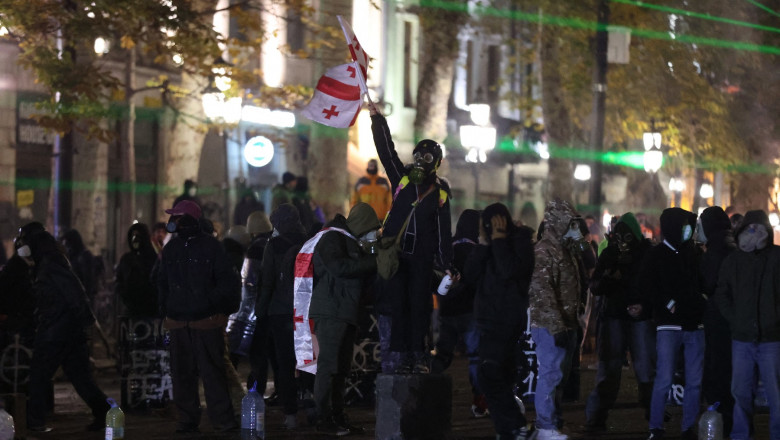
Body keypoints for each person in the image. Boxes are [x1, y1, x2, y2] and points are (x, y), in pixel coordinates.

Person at [369, 101, 455, 373]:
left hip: (420, 260)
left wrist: (447, 263)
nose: (422, 161)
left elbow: (444, 233)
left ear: (437, 164)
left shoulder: (440, 193)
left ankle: (418, 354)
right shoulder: (402, 180)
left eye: (428, 159)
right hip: (395, 256)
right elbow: (387, 152)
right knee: (397, 306)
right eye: (419, 155)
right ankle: (399, 356)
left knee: (419, 307)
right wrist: (377, 120)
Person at [157, 200, 241, 434]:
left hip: (205, 322)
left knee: (212, 374)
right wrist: (166, 309)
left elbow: (228, 283)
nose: (172, 222)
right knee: (182, 375)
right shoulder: (172, 249)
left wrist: (212, 305)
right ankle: (188, 418)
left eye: (176, 217)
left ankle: (222, 420)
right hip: (179, 322)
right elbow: (162, 282)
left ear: (187, 219)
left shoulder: (212, 247)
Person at [21, 230, 110, 432]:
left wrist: (81, 321)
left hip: (57, 330)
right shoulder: (47, 263)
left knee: (39, 375)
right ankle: (105, 412)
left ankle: (34, 422)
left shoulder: (51, 265)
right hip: (64, 329)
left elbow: (74, 294)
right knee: (80, 377)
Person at [465, 203, 534, 440]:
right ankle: (508, 429)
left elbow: (508, 270)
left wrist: (500, 240)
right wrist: (484, 245)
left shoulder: (521, 241)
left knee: (489, 373)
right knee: (498, 376)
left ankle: (515, 424)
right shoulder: (489, 244)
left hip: (506, 319)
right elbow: (471, 274)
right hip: (487, 318)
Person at [309, 202, 380, 436]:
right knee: (328, 367)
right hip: (331, 312)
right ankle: (323, 418)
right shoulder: (333, 238)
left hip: (345, 311)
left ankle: (338, 417)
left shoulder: (350, 241)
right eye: (371, 229)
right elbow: (340, 267)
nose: (373, 234)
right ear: (360, 226)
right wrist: (375, 261)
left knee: (341, 369)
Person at [584, 212, 656, 431]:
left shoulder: (646, 254)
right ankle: (597, 418)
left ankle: (654, 416)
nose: (624, 240)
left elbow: (653, 285)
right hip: (615, 316)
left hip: (637, 317)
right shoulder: (610, 253)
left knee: (645, 369)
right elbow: (595, 285)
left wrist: (643, 305)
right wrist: (608, 276)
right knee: (610, 368)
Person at [639, 207, 704, 440]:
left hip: (694, 324)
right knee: (664, 378)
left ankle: (688, 427)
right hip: (668, 325)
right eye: (684, 225)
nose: (688, 230)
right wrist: (668, 303)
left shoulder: (693, 253)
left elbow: (699, 284)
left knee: (694, 380)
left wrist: (698, 304)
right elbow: (649, 286)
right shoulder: (656, 255)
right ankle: (656, 427)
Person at [716, 209, 780, 440]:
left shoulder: (776, 257)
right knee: (740, 392)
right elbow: (722, 293)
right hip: (743, 337)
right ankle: (742, 435)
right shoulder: (734, 260)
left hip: (770, 337)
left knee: (775, 395)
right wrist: (736, 318)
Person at [528, 199, 582, 440]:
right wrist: (557, 325)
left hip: (565, 323)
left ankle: (554, 422)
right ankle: (545, 426)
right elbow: (542, 292)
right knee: (551, 374)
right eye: (571, 223)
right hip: (551, 326)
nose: (575, 228)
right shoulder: (544, 251)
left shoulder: (563, 249)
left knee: (560, 377)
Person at [257, 204, 309, 429]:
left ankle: (290, 414)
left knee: (285, 364)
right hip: (305, 310)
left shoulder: (273, 245)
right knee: (307, 359)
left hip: (279, 312)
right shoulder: (309, 242)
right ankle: (312, 404)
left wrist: (261, 311)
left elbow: (267, 281)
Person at [431, 209, 486, 416]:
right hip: (470, 311)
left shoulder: (448, 248)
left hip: (448, 312)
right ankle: (479, 401)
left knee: (442, 354)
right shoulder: (477, 250)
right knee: (475, 357)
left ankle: (427, 392)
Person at [697, 206, 736, 434]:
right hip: (731, 319)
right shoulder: (732, 246)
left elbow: (709, 284)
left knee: (717, 368)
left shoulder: (714, 252)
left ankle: (720, 421)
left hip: (718, 318)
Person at [115, 223, 158, 318]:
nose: (135, 240)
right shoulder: (126, 259)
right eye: (133, 236)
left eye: (138, 236)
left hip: (150, 311)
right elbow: (119, 280)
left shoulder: (153, 258)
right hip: (131, 310)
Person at [60, 228, 101, 308]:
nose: (67, 248)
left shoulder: (84, 256)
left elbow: (88, 281)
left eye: (67, 244)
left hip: (82, 302)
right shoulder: (73, 257)